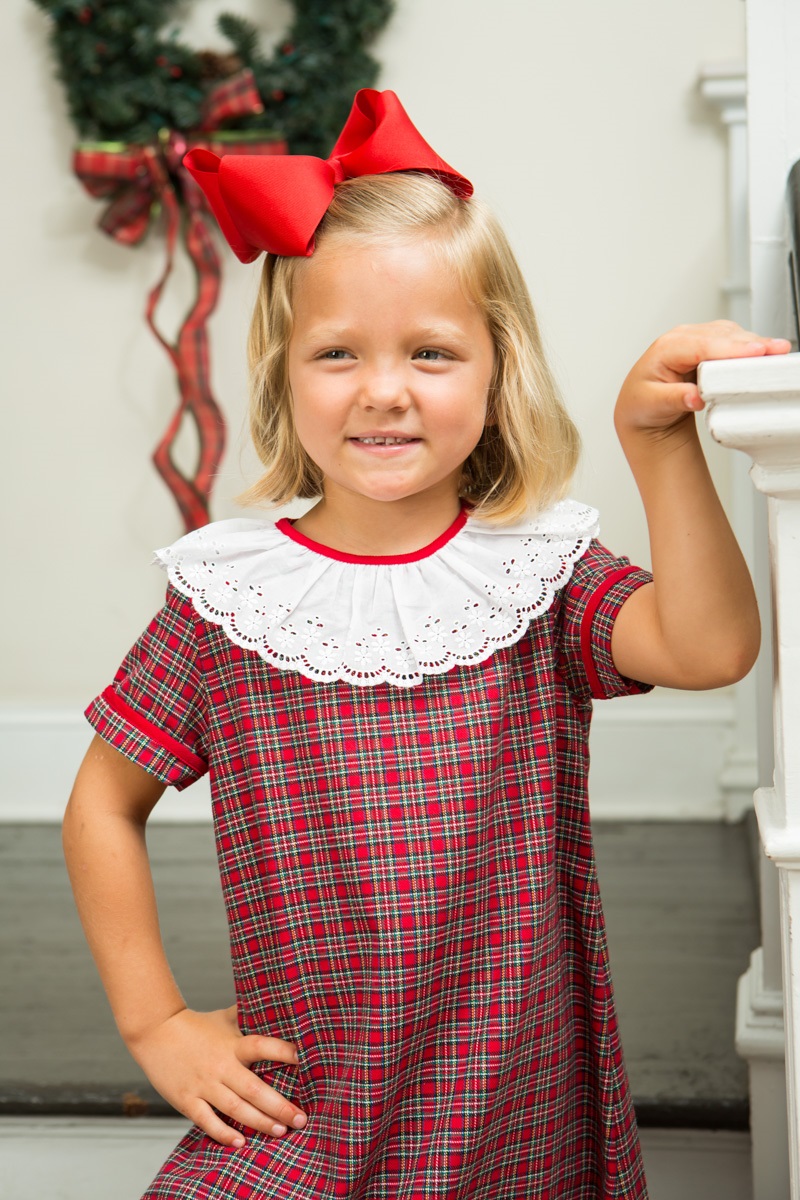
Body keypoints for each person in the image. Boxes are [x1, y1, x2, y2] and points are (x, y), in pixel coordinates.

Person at [63, 89, 788, 1199]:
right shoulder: (226, 600)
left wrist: (654, 445)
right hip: (314, 1101)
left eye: (432, 354)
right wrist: (158, 1020)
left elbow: (708, 648)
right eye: (337, 354)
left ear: (497, 372)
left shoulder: (535, 578)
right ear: (281, 373)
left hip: (513, 1109)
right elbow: (101, 804)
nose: (384, 391)